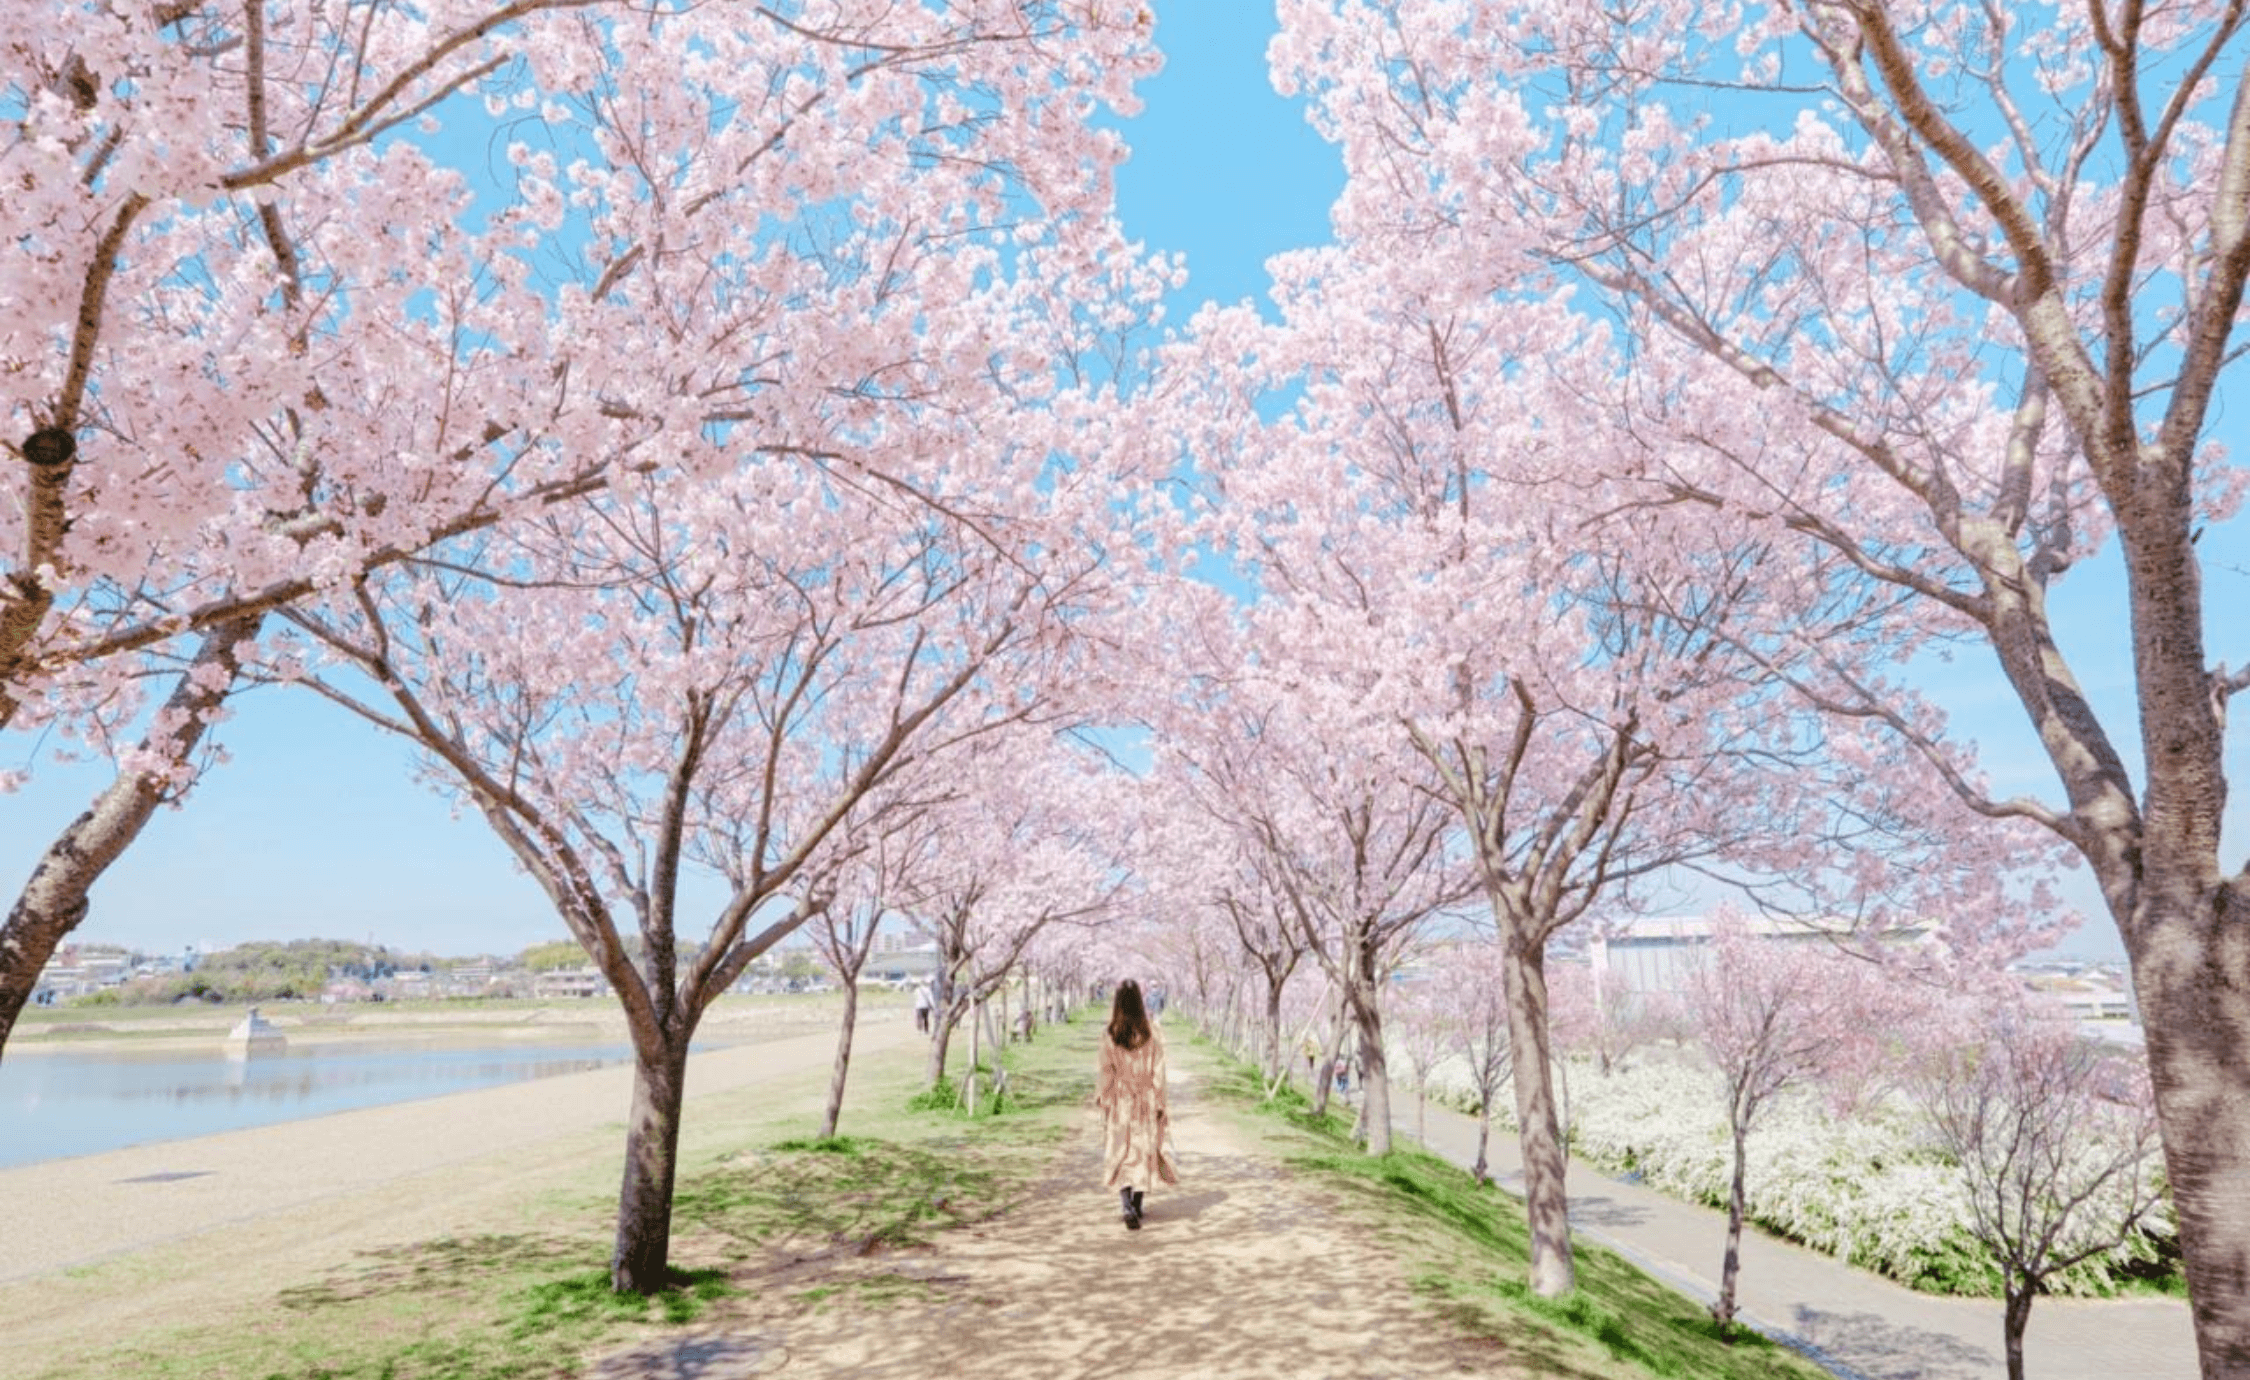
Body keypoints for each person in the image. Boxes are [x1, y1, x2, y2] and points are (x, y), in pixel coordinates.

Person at [1095, 978, 1177, 1231]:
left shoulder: (1110, 1034)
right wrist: (1160, 1101)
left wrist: (1104, 1098)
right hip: (1145, 1098)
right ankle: (1137, 1203)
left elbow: (1105, 1071)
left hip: (1121, 1099)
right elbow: (1158, 1071)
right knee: (1142, 1150)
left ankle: (1126, 1204)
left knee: (1121, 1149)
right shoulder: (1152, 1032)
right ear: (1140, 1003)